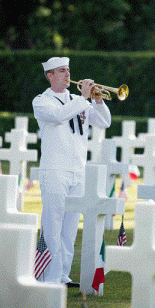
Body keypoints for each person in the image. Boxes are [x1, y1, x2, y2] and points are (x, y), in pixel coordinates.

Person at [32, 56, 112, 287]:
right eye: (61, 71)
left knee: (70, 228)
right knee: (53, 223)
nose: (67, 75)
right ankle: (48, 275)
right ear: (49, 76)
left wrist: (97, 101)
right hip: (55, 170)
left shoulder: (79, 100)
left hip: (78, 170)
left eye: (68, 70)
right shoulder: (42, 101)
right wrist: (84, 99)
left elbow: (104, 122)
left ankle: (63, 274)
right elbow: (59, 116)